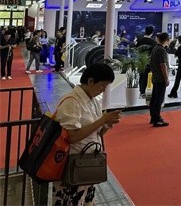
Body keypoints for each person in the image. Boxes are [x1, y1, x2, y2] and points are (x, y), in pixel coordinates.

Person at [53, 63, 121, 205]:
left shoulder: (92, 101)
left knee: (86, 200)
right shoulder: (72, 102)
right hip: (72, 164)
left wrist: (107, 124)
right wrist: (102, 120)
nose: (104, 90)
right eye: (103, 85)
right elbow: (72, 137)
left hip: (87, 164)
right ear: (90, 81)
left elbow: (97, 133)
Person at [149, 32, 170, 127]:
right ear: (166, 40)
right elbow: (163, 65)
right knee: (159, 99)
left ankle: (153, 117)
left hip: (155, 76)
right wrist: (166, 78)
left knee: (154, 98)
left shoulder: (155, 48)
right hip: (160, 78)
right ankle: (157, 119)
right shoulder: (162, 50)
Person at [136, 26, 156, 98]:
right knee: (148, 77)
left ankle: (142, 92)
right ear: (152, 33)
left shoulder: (140, 41)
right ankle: (147, 92)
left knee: (141, 76)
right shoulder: (153, 42)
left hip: (140, 61)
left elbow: (136, 50)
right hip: (149, 62)